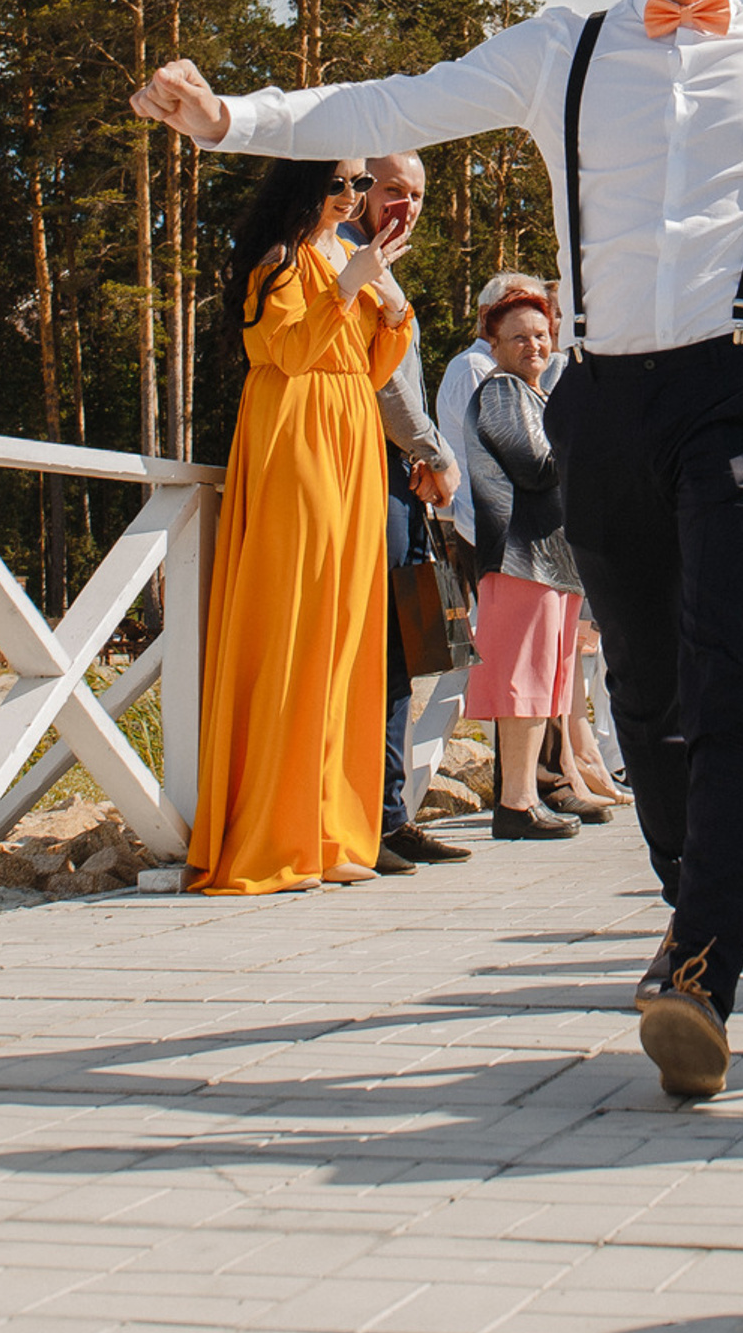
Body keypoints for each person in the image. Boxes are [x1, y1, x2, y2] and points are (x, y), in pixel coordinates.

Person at [133, 0, 743, 1100]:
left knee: (728, 669)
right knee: (641, 690)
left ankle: (701, 967)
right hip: (606, 402)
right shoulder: (559, 53)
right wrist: (233, 117)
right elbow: (391, 101)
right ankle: (692, 915)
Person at [188, 156, 416, 895]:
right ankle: (277, 834)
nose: (354, 197)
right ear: (305, 188)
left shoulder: (343, 256)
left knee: (345, 630)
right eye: (341, 184)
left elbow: (372, 368)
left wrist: (391, 308)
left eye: (358, 185)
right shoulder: (281, 260)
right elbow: (283, 351)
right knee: (299, 622)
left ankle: (331, 829)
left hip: (351, 430)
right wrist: (348, 289)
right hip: (299, 433)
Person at [350, 152, 471, 872]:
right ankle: (374, 817)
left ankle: (392, 814)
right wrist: (435, 454)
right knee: (382, 647)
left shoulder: (383, 266)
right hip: (374, 474)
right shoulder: (352, 262)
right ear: (363, 189)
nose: (409, 203)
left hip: (399, 476)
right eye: (394, 188)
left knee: (401, 650)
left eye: (419, 193)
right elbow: (390, 387)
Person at [461, 291, 586, 840]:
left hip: (547, 560)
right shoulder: (504, 391)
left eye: (541, 334)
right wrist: (586, 437)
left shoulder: (536, 395)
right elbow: (535, 466)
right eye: (519, 336)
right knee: (524, 684)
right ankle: (514, 803)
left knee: (545, 684)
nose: (534, 344)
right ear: (495, 345)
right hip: (519, 558)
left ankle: (526, 796)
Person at [433, 268, 550, 584]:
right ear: (487, 316)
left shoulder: (514, 373)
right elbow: (526, 460)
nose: (529, 316)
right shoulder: (479, 370)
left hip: (526, 542)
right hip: (502, 542)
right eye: (516, 304)